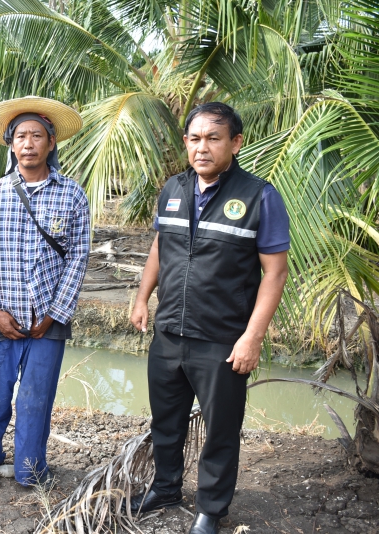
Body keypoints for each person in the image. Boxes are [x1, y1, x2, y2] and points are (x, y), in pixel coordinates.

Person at [129, 102, 290, 534]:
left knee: (221, 430)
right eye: (195, 138)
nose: (202, 147)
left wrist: (252, 337)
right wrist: (143, 297)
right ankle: (165, 488)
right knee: (166, 422)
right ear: (186, 142)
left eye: (213, 138)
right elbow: (160, 247)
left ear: (235, 143)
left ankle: (211, 509)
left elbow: (275, 273)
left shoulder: (259, 196)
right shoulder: (173, 188)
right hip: (169, 332)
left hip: (222, 339)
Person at [0, 96, 90, 487]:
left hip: (48, 319)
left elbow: (78, 259)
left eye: (37, 136)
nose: (28, 143)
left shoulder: (72, 195)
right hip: (0, 316)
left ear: (51, 142)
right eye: (20, 136)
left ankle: (30, 468)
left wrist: (54, 314)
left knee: (35, 399)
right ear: (11, 144)